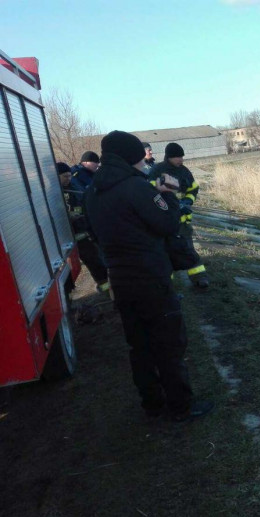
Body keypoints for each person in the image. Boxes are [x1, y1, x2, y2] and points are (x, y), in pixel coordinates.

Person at [85, 130, 213, 421]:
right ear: (130, 157)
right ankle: (181, 406)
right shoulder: (136, 187)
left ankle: (152, 405)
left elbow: (93, 233)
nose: (144, 161)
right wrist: (166, 195)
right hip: (150, 278)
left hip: (119, 279)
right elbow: (168, 224)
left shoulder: (93, 191)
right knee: (168, 343)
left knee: (138, 346)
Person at [148, 142, 209, 288]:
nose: (181, 160)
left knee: (188, 249)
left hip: (182, 221)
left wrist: (188, 201)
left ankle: (199, 278)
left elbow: (193, 188)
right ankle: (167, 285)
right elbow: (150, 192)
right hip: (165, 221)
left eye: (182, 157)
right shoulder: (157, 170)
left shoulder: (184, 171)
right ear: (169, 157)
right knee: (165, 252)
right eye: (178, 157)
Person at [57, 161, 110, 293]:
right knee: (91, 264)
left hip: (84, 232)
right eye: (65, 176)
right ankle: (106, 288)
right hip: (71, 238)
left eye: (69, 176)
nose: (68, 179)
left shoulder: (74, 187)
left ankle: (108, 287)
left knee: (98, 260)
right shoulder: (54, 193)